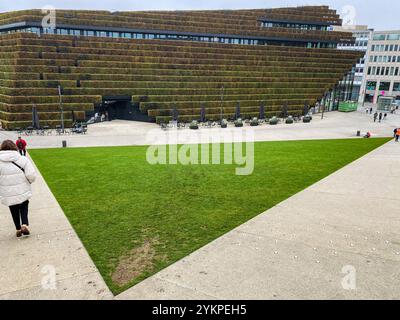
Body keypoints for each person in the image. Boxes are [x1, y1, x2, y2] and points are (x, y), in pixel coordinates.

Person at [0, 140, 36, 238]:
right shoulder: (23, 159)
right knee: (24, 204)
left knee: (13, 208)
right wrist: (30, 181)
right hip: (22, 188)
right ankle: (24, 224)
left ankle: (18, 228)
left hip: (7, 191)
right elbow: (31, 175)